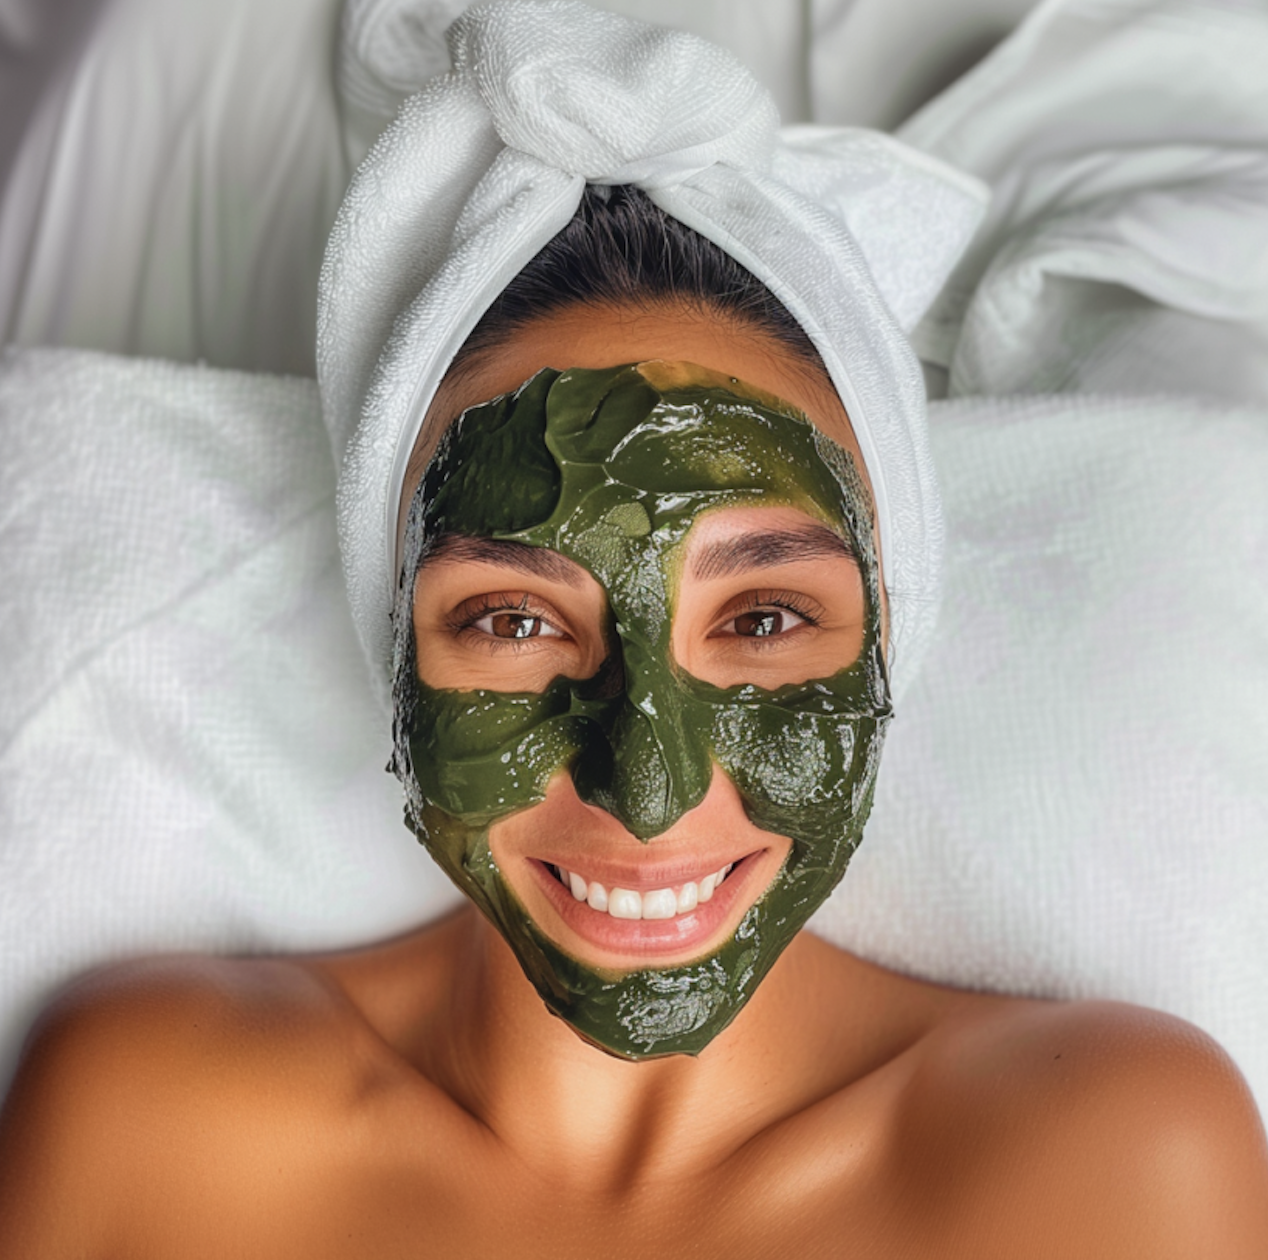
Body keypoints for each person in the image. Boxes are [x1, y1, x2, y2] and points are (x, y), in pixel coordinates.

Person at [2, 4, 1267, 1255]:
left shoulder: (1105, 1166)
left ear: (890, 636)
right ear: (393, 643)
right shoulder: (157, 1128)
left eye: (764, 616)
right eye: (512, 619)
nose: (647, 789)